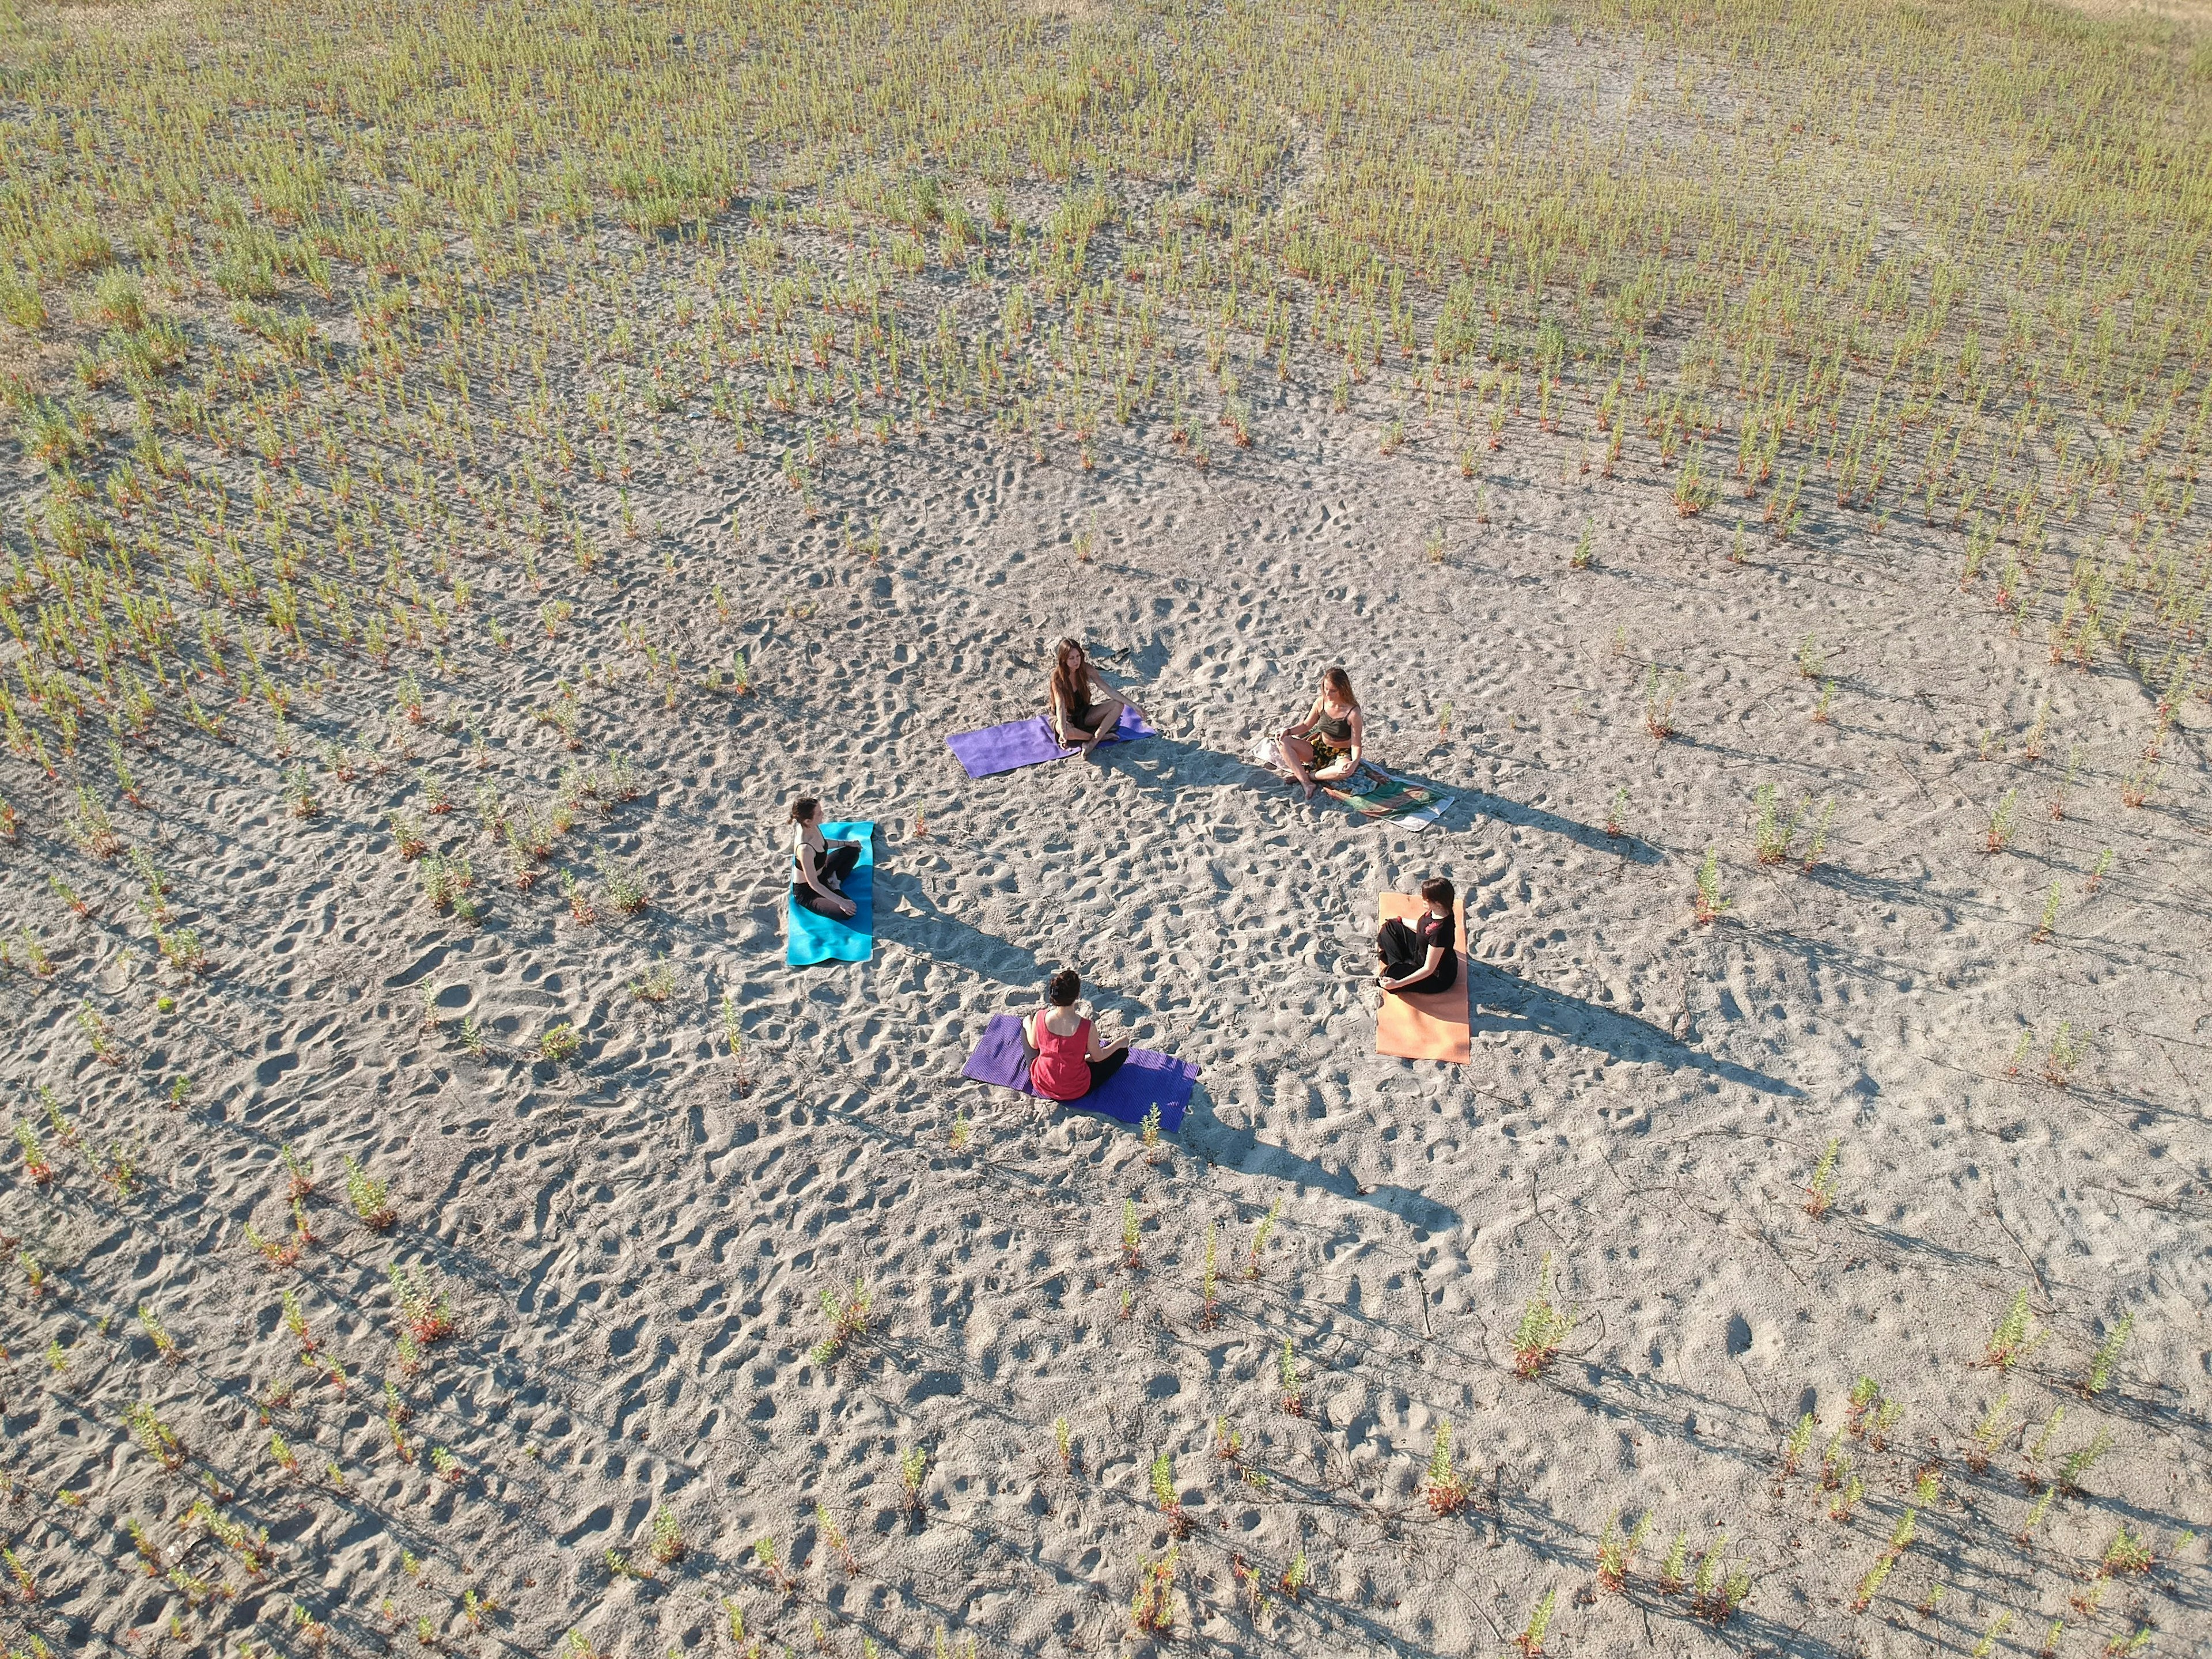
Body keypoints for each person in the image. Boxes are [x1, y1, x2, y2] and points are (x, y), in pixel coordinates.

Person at [1022, 968, 1130, 1101]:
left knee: (1027, 1025)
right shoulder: (1087, 1027)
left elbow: (1033, 1044)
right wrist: (1119, 1043)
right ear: (1078, 995)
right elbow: (1098, 1057)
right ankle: (1079, 1060)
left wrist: (1028, 1025)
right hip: (1075, 1089)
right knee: (1122, 1053)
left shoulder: (1040, 1016)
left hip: (1043, 1082)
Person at [1277, 665, 1365, 802]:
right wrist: (1288, 731)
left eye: (1333, 691)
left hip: (1341, 753)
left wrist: (1354, 762)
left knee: (1343, 770)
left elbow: (1356, 745)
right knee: (1284, 741)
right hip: (1319, 747)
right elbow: (1306, 725)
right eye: (1325, 689)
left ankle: (1307, 776)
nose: (1328, 694)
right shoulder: (1321, 702)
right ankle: (1307, 783)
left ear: (1343, 690)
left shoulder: (1353, 713)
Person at [1047, 637, 1128, 759]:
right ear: (1063, 660)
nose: (1076, 661)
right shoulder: (1057, 679)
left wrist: (1133, 705)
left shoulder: (1085, 669)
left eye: (1078, 656)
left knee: (1118, 705)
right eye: (1072, 658)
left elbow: (1109, 690)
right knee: (1065, 732)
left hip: (1084, 714)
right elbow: (1060, 706)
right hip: (1065, 718)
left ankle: (1093, 742)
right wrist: (1064, 730)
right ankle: (1099, 737)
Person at [1378, 876, 1458, 997]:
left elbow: (1428, 969)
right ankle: (1400, 966)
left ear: (1437, 902)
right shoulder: (1438, 911)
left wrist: (1398, 984)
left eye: (1426, 899)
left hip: (1435, 976)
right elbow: (1424, 929)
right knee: (1390, 927)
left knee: (1388, 977)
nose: (1422, 900)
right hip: (1421, 952)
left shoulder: (1440, 933)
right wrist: (1401, 921)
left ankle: (1399, 968)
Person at [789, 796, 860, 921]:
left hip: (822, 873)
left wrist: (846, 843)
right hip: (808, 891)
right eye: (819, 814)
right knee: (848, 911)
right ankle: (835, 886)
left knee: (853, 851)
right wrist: (840, 900)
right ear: (807, 821)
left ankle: (832, 881)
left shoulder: (812, 826)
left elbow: (822, 843)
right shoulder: (805, 849)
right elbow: (814, 884)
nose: (823, 814)